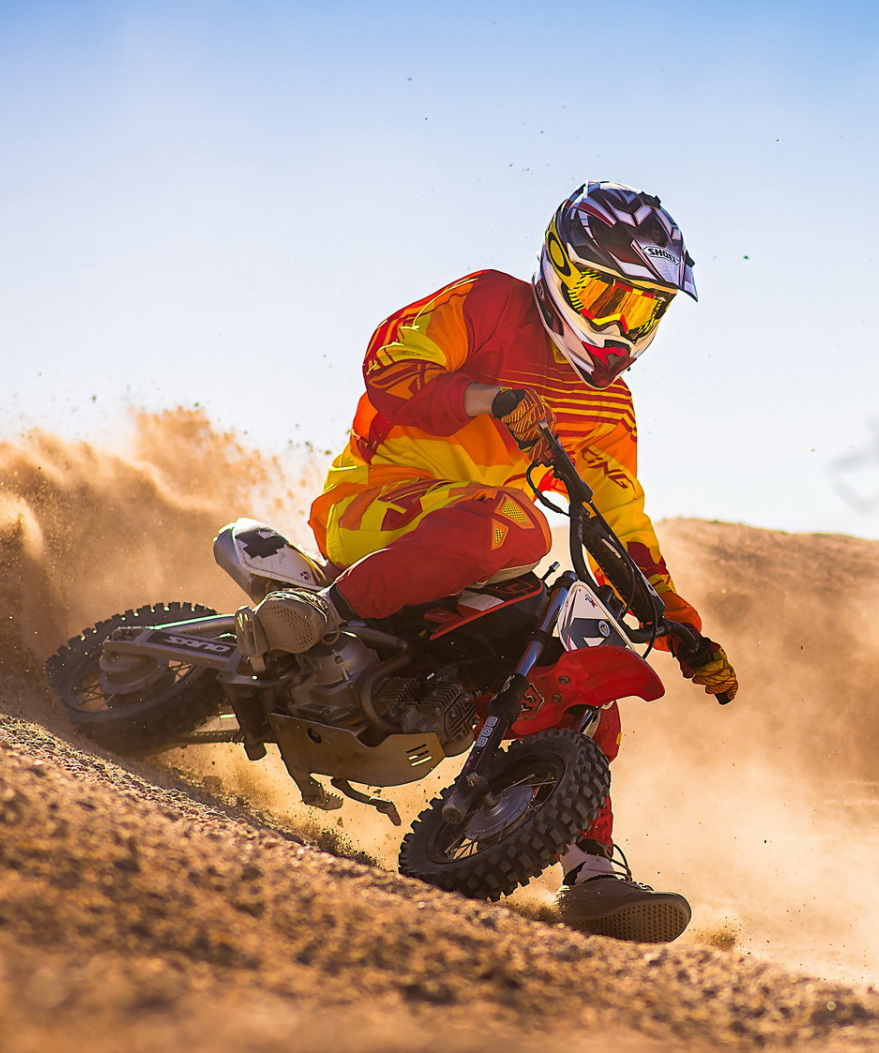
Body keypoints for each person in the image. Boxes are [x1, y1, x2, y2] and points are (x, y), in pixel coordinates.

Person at [251, 181, 739, 943]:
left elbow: (620, 522)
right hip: (380, 511)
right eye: (606, 295)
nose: (619, 324)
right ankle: (318, 612)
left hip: (481, 550)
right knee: (517, 525)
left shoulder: (607, 409)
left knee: (584, 649)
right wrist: (487, 397)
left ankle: (589, 871)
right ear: (560, 271)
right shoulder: (486, 302)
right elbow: (389, 364)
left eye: (642, 309)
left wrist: (681, 631)